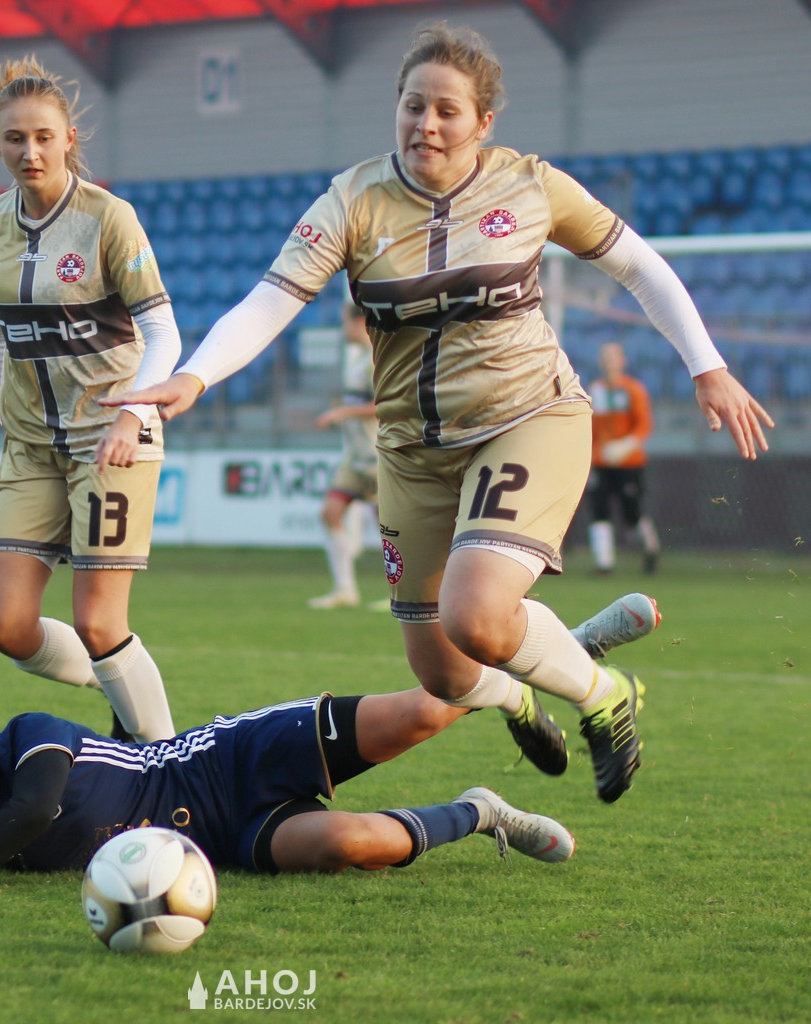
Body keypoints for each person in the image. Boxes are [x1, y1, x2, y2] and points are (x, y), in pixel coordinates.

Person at [103, 22, 773, 803]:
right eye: (412, 105)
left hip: (526, 417)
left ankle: (602, 694)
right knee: (445, 671)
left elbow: (638, 265)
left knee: (476, 614)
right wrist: (195, 377)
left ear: (482, 122)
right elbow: (270, 301)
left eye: (446, 110)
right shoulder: (352, 199)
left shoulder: (530, 185)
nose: (425, 123)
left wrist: (706, 366)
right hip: (410, 451)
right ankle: (519, 693)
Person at [0, 684, 577, 889]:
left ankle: (523, 668)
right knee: (350, 844)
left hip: (228, 759)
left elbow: (35, 813)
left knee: (421, 712)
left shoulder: (33, 740)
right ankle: (480, 811)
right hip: (224, 842)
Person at [0, 57, 183, 743]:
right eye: (14, 138)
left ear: (68, 139)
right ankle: (114, 679)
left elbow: (163, 332)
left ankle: (170, 765)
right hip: (28, 446)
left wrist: (133, 413)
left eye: (42, 137)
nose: (29, 151)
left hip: (108, 440)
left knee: (98, 622)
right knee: (5, 626)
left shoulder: (108, 218)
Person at [308, 303, 383, 609]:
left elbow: (384, 406)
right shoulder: (358, 360)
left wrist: (343, 412)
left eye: (345, 323)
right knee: (331, 512)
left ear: (360, 321)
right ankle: (345, 589)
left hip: (378, 456)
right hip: (356, 457)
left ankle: (405, 594)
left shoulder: (376, 360)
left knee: (391, 528)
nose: (343, 329)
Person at [588, 342, 661, 575]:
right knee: (599, 509)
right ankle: (604, 563)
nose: (608, 362)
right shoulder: (594, 390)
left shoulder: (633, 390)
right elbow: (589, 428)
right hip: (601, 462)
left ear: (622, 361)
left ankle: (651, 549)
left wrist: (625, 446)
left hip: (629, 463)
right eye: (605, 358)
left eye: (612, 358)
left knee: (632, 512)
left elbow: (644, 425)